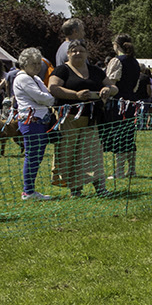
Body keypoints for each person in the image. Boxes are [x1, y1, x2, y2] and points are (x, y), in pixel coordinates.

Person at [48, 39, 115, 197]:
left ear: (87, 53)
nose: (77, 53)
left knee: (92, 153)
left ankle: (100, 188)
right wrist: (75, 95)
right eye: (74, 50)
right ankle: (75, 189)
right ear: (68, 53)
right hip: (68, 119)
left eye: (81, 50)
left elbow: (114, 87)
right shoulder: (61, 70)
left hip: (91, 119)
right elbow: (53, 88)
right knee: (68, 153)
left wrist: (107, 89)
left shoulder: (95, 71)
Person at [12, 48, 57, 200]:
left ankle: (30, 190)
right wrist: (50, 99)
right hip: (31, 121)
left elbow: (45, 95)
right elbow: (41, 97)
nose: (37, 67)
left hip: (40, 120)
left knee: (37, 156)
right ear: (24, 64)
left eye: (39, 63)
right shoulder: (23, 78)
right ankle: (28, 191)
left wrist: (47, 98)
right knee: (32, 156)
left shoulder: (35, 78)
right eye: (33, 64)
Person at [103, 34, 142, 181]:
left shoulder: (117, 61)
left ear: (116, 45)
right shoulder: (135, 62)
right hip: (131, 102)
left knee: (118, 136)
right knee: (129, 135)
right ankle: (131, 169)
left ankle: (119, 171)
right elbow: (135, 86)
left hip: (119, 103)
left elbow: (111, 83)